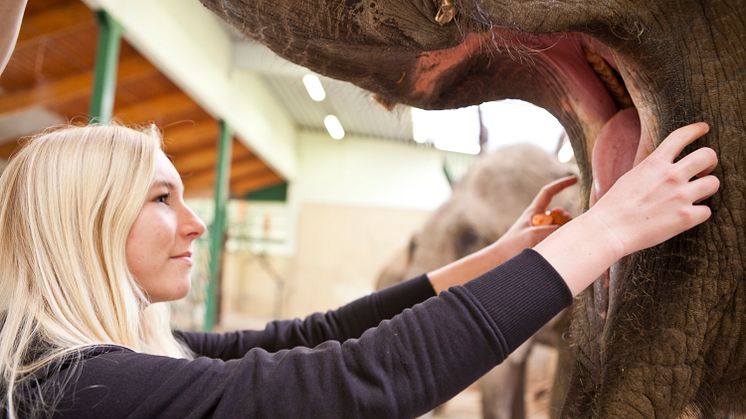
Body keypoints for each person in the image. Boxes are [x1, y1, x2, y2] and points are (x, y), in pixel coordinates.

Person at [0, 6, 720, 418]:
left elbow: (314, 336)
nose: (198, 222)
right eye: (162, 199)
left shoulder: (112, 355)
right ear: (83, 228)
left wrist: (500, 256)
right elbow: (356, 378)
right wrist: (610, 226)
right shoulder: (81, 390)